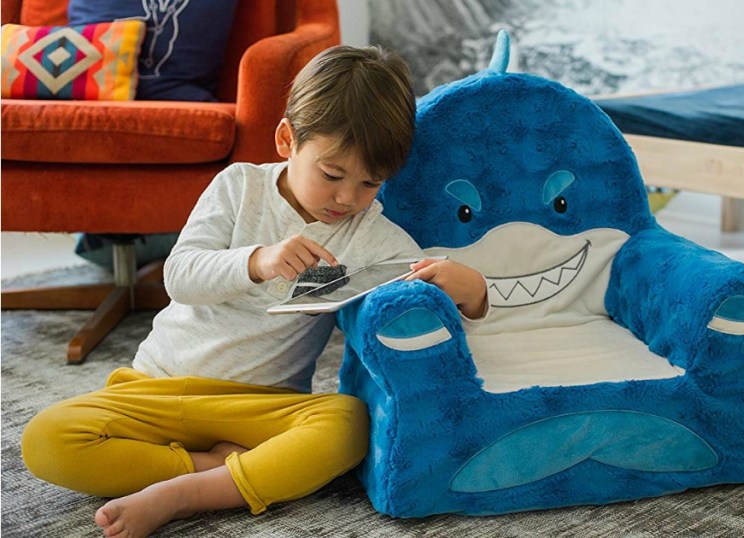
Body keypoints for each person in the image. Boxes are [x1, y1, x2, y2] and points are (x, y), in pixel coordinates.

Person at [20, 45, 488, 538]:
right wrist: (256, 260)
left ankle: (184, 493)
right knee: (46, 440)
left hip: (261, 407)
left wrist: (472, 289)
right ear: (287, 139)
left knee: (350, 424)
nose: (347, 198)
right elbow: (179, 275)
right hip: (154, 385)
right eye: (331, 174)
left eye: (370, 183)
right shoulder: (238, 186)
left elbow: (429, 291)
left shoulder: (372, 236)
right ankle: (217, 472)